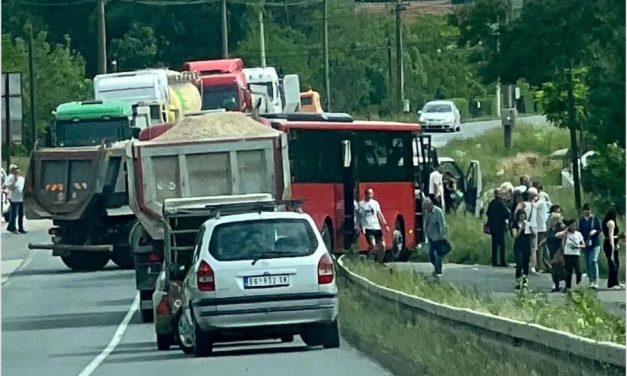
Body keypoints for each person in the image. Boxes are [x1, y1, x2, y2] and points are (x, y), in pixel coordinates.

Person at [358, 188, 389, 262]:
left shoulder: (375, 203)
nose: (370, 195)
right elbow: (359, 217)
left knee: (383, 246)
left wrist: (385, 224)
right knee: (372, 244)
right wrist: (362, 227)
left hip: (377, 227)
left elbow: (379, 214)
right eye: (368, 193)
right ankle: (368, 258)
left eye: (371, 193)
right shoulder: (361, 204)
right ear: (365, 194)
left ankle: (379, 261)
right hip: (368, 227)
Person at [556, 219, 585, 292]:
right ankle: (568, 287)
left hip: (576, 255)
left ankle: (578, 285)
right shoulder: (566, 234)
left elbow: (583, 245)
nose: (574, 227)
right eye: (572, 225)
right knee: (568, 272)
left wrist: (578, 246)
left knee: (578, 271)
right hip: (567, 255)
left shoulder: (578, 234)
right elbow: (557, 235)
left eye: (575, 225)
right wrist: (566, 230)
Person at [578, 203, 602, 289]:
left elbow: (600, 229)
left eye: (589, 210)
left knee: (593, 261)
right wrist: (581, 243)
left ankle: (595, 280)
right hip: (586, 244)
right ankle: (591, 281)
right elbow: (579, 231)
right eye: (586, 210)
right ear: (583, 211)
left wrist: (595, 231)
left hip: (595, 244)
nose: (587, 212)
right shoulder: (581, 220)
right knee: (587, 263)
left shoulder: (594, 219)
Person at [423, 197, 447, 278]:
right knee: (431, 255)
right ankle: (437, 266)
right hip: (431, 237)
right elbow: (426, 224)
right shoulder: (427, 212)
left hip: (438, 237)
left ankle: (438, 271)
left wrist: (442, 236)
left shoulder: (438, 212)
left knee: (438, 255)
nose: (425, 209)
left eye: (426, 207)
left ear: (430, 205)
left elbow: (442, 225)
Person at [486, 188, 510, 267]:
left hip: (493, 226)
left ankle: (494, 261)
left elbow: (487, 213)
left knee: (494, 244)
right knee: (502, 244)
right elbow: (506, 213)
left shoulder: (492, 203)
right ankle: (502, 261)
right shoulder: (501, 203)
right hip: (500, 226)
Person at [529, 187, 550, 273]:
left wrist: (533, 200)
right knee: (542, 247)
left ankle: (541, 265)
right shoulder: (543, 202)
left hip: (541, 227)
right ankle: (547, 265)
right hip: (540, 227)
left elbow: (533, 206)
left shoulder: (541, 202)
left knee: (540, 247)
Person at [602, 207, 623, 289]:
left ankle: (616, 282)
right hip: (610, 243)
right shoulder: (611, 222)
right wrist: (613, 245)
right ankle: (612, 283)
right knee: (613, 263)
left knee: (616, 263)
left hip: (608, 243)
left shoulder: (605, 221)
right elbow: (610, 234)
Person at [546, 205, 566, 292]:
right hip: (551, 247)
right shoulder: (549, 225)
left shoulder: (561, 226)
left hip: (559, 248)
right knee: (554, 268)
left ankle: (566, 284)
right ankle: (556, 285)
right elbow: (547, 234)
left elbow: (565, 234)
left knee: (560, 267)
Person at [512, 209, 532, 289]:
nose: (522, 217)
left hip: (526, 246)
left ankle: (525, 281)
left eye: (523, 216)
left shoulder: (528, 223)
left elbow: (532, 235)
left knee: (526, 264)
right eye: (521, 216)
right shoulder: (515, 224)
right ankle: (517, 282)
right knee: (519, 265)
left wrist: (531, 229)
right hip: (518, 246)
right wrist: (521, 228)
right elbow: (515, 236)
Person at [6, 166, 26, 234]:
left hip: (21, 198)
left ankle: (21, 228)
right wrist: (14, 181)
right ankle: (12, 228)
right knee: (14, 214)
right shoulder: (10, 178)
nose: (17, 173)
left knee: (21, 214)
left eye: (18, 172)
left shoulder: (22, 179)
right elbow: (10, 188)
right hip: (14, 199)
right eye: (16, 172)